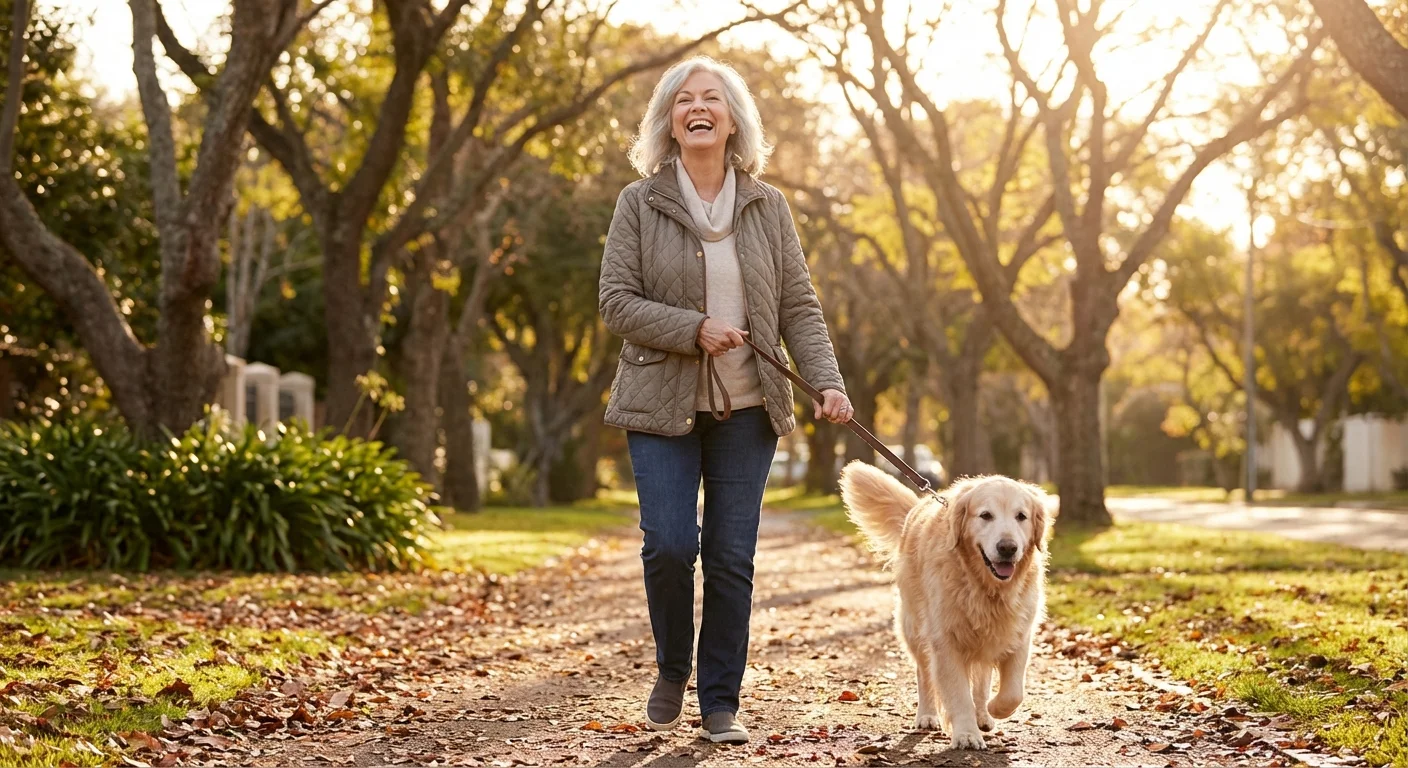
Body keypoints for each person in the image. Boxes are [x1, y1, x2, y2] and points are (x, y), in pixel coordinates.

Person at [598, 55, 853, 744]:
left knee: (732, 557)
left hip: (748, 410)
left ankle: (720, 702)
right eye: (684, 100)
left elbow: (800, 305)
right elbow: (615, 302)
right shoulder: (639, 202)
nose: (698, 107)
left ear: (733, 119)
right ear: (669, 123)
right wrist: (694, 328)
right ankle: (671, 665)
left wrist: (827, 381)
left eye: (712, 97)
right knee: (671, 546)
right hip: (660, 406)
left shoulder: (768, 207)